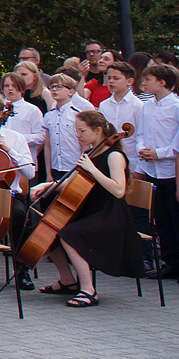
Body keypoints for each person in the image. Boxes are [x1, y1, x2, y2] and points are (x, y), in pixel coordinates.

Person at [25, 108, 136, 307]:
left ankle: (89, 290)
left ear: (99, 130)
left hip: (110, 214)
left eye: (82, 131)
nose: (78, 135)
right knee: (47, 229)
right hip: (91, 210)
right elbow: (73, 182)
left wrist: (93, 169)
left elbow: (119, 191)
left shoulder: (114, 156)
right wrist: (47, 185)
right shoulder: (90, 152)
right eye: (77, 130)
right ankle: (68, 280)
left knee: (69, 234)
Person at [133, 62, 179, 280]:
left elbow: (176, 142)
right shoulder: (148, 106)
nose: (144, 83)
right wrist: (142, 150)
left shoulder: (176, 106)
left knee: (176, 218)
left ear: (162, 83)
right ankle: (170, 262)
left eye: (148, 80)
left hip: (170, 170)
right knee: (161, 219)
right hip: (153, 170)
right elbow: (140, 134)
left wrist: (159, 153)